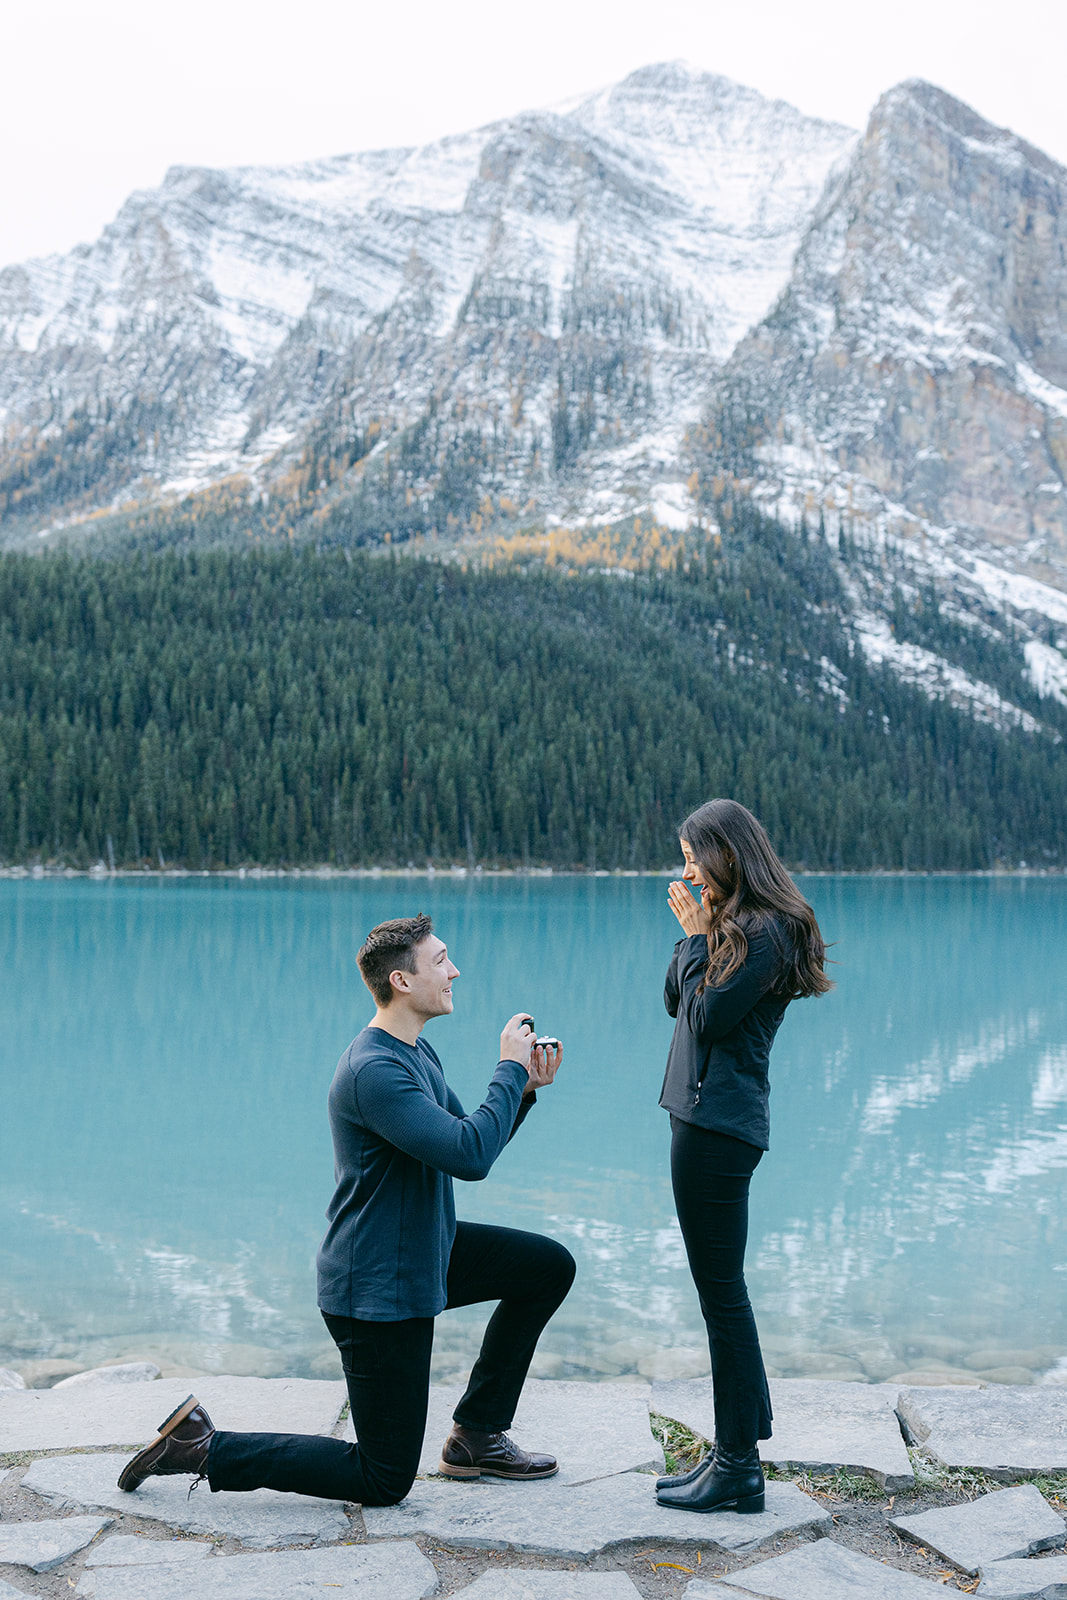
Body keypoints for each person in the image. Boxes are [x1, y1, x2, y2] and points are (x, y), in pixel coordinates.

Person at [117, 912, 574, 1505]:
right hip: (377, 1287)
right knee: (383, 1479)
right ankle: (202, 1446)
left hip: (421, 1248)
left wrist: (525, 1090)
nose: (454, 969)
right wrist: (508, 1068)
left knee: (545, 1267)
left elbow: (463, 1139)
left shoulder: (414, 1052)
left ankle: (478, 1433)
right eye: (440, 961)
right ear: (402, 981)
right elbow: (470, 1155)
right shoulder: (374, 1071)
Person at [654, 800, 831, 1515]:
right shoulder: (735, 925)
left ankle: (736, 1467)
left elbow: (710, 1018)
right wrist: (692, 937)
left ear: (728, 851)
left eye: (694, 853)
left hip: (719, 1128)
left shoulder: (768, 932)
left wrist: (699, 938)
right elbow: (676, 1001)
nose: (686, 868)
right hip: (700, 1119)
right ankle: (736, 1454)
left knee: (721, 1293)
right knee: (719, 1293)